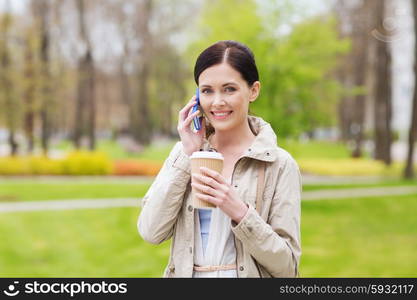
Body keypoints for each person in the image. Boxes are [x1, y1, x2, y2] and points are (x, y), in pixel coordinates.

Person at [137, 40, 302, 278]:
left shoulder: (279, 164)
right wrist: (188, 154)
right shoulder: (185, 154)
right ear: (196, 96)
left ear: (253, 90)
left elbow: (287, 268)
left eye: (229, 89)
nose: (217, 102)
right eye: (207, 90)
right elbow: (150, 231)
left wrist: (241, 213)